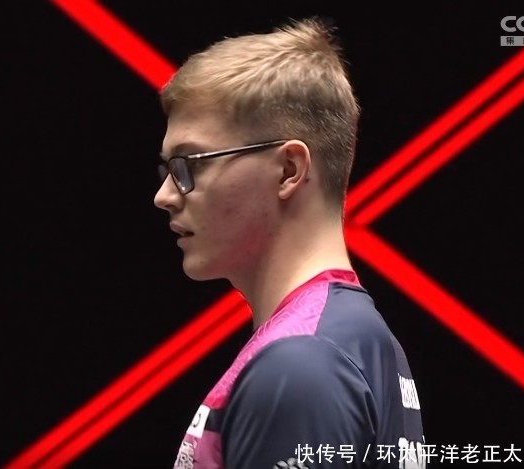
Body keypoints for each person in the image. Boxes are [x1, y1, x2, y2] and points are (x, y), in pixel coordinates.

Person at [153, 17, 426, 469]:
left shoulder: (304, 364)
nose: (164, 196)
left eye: (188, 165)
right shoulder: (352, 340)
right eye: (167, 170)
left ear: (288, 170)